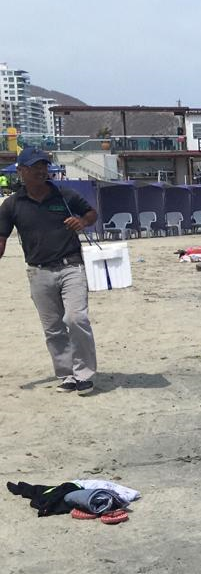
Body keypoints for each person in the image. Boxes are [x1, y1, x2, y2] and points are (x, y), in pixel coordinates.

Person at [0, 147, 99, 393]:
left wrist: (83, 222)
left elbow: (91, 213)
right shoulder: (11, 205)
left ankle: (84, 374)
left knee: (77, 319)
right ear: (21, 171)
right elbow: (1, 239)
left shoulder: (64, 195)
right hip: (38, 272)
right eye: (34, 167)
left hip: (71, 266)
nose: (41, 171)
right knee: (53, 328)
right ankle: (67, 375)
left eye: (43, 165)